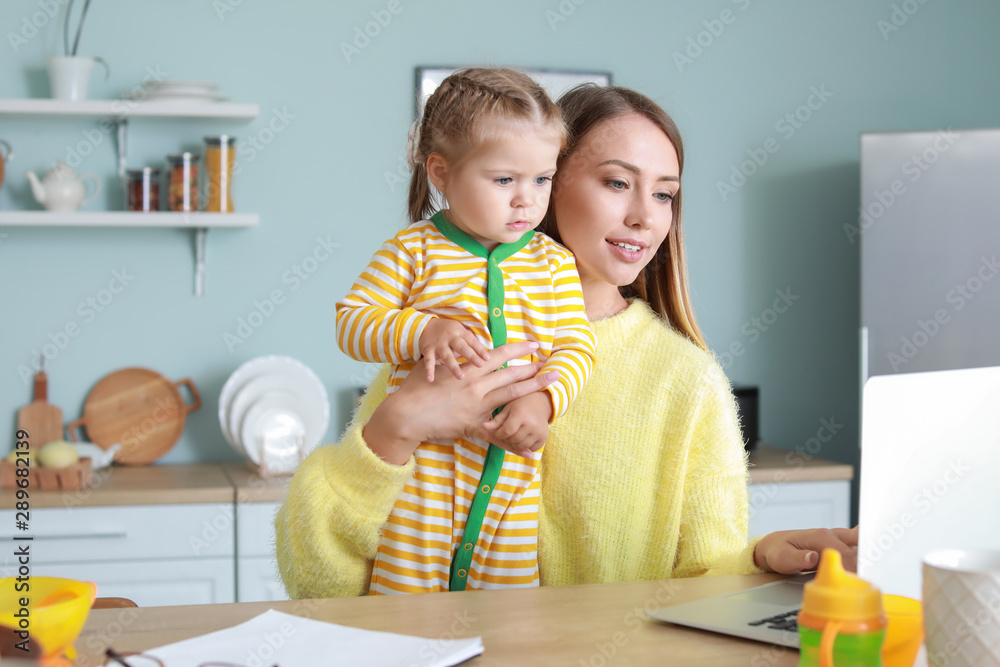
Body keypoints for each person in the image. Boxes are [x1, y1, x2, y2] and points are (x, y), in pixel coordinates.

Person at [274, 83, 858, 600]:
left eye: (664, 194)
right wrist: (391, 429)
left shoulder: (687, 379)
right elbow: (318, 585)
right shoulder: (448, 337)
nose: (644, 217)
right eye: (616, 182)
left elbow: (704, 577)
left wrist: (758, 558)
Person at [333, 68, 596, 595]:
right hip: (421, 480)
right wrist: (423, 329)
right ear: (441, 173)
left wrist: (544, 401)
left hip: (511, 480)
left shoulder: (554, 264)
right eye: (505, 180)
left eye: (542, 180)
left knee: (509, 626)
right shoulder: (414, 250)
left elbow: (576, 346)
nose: (527, 199)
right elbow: (352, 320)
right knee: (403, 621)